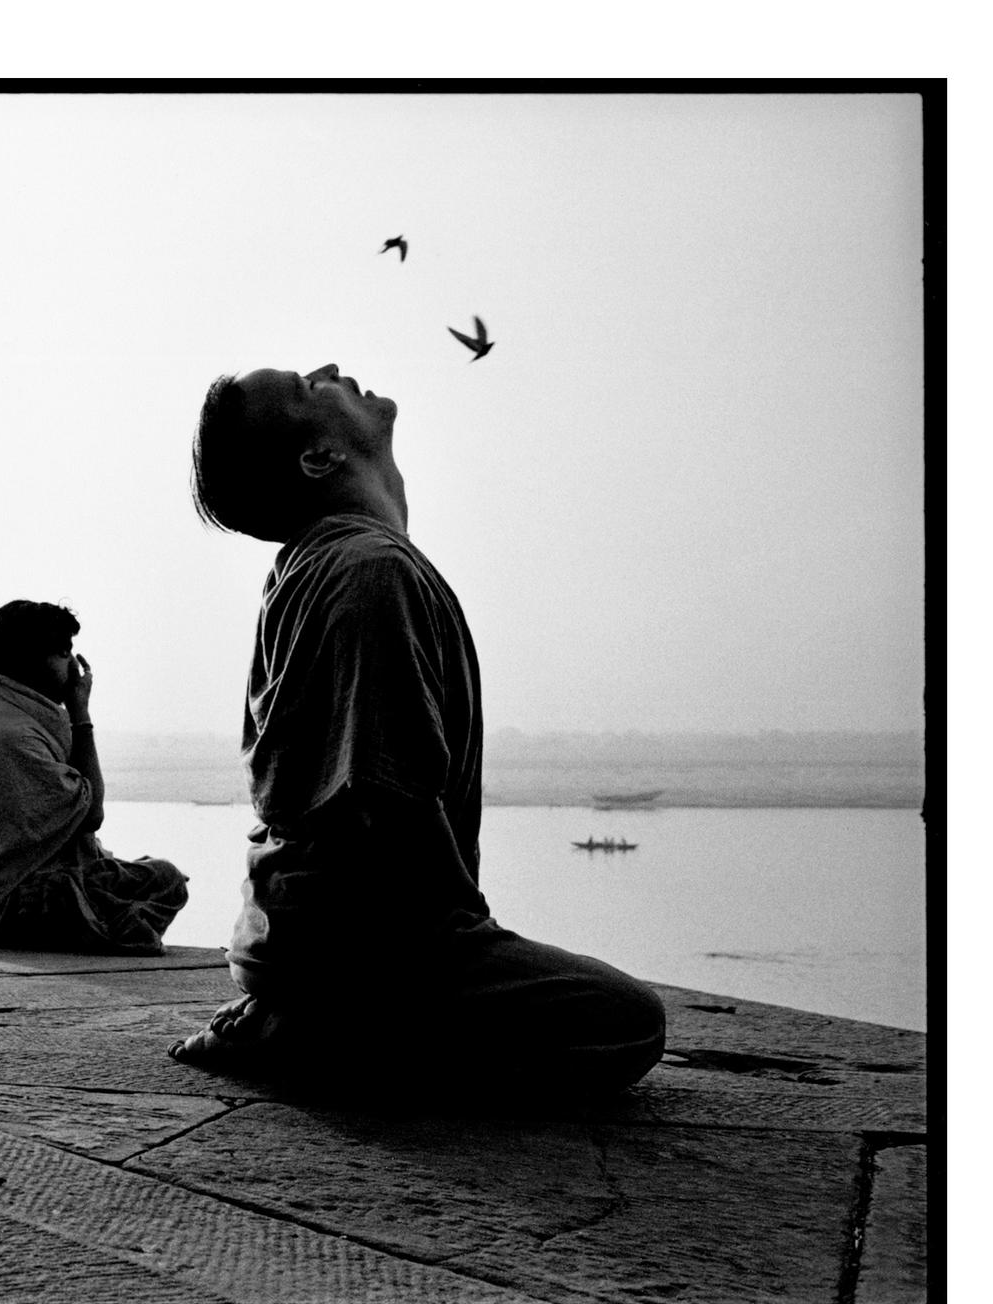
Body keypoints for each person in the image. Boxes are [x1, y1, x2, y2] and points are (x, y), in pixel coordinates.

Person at [173, 363, 666, 1100]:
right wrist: (457, 941)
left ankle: (314, 1017)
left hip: (301, 944)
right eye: (309, 386)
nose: (331, 370)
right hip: (359, 949)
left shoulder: (333, 562)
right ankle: (320, 1033)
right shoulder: (368, 570)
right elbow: (375, 804)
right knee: (628, 1023)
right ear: (320, 458)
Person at [0, 600, 189, 953]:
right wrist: (80, 713)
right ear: (31, 659)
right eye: (63, 653)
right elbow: (92, 814)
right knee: (158, 884)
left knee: (154, 881)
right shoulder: (12, 736)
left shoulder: (7, 720)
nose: (72, 664)